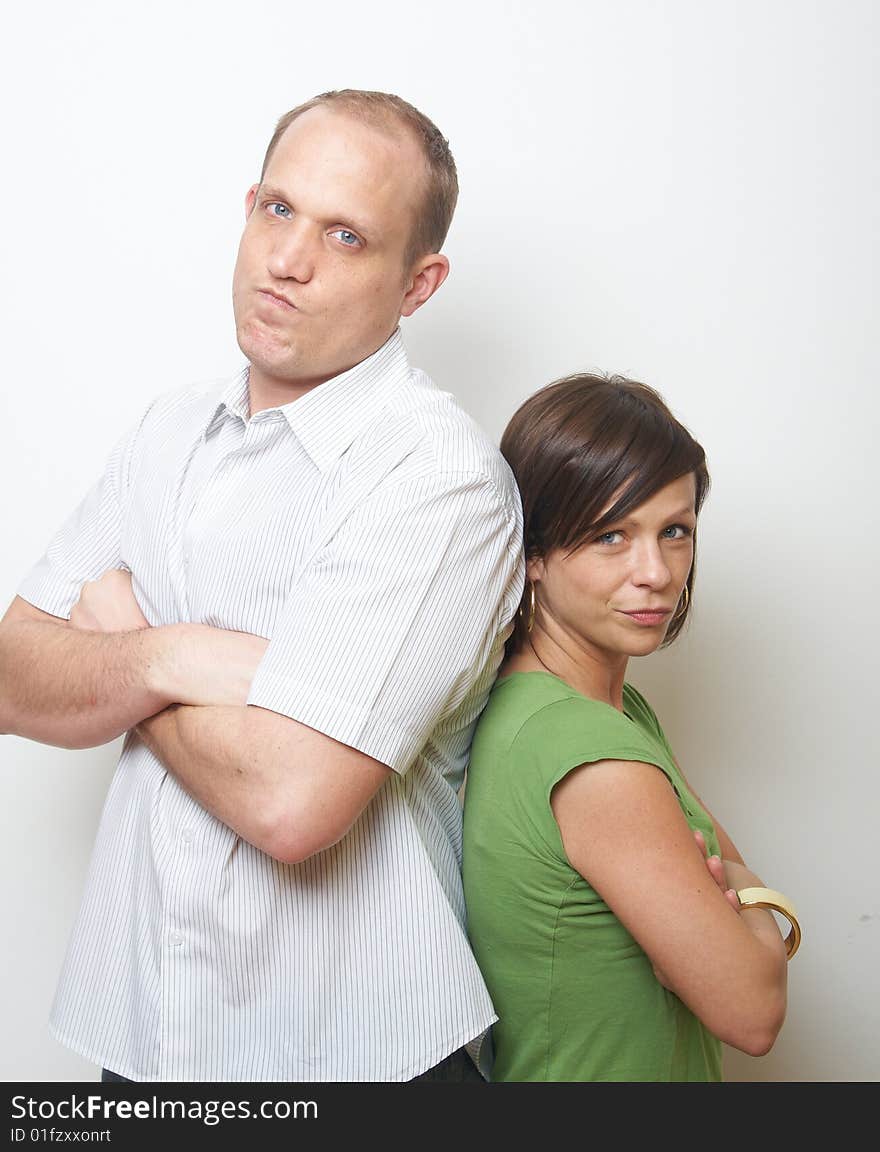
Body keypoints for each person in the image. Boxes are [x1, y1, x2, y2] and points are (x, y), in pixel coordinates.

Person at [0, 90, 524, 1082]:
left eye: (347, 235)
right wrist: (177, 655)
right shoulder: (167, 427)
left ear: (420, 284)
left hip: (359, 1059)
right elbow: (11, 679)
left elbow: (291, 802)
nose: (289, 259)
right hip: (151, 1036)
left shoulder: (434, 480)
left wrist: (116, 651)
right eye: (277, 210)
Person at [462, 372, 798, 1082]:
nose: (657, 572)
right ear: (535, 555)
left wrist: (727, 904)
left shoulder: (593, 711)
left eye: (674, 531)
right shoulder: (589, 755)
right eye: (611, 535)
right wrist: (746, 907)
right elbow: (752, 1012)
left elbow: (724, 893)